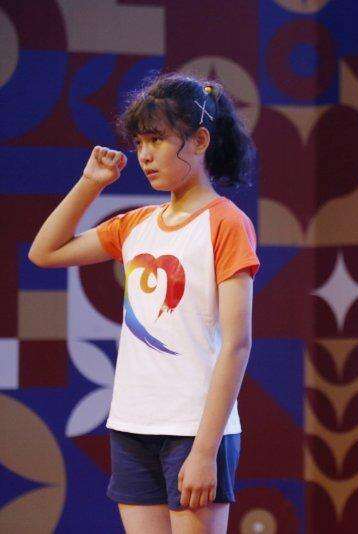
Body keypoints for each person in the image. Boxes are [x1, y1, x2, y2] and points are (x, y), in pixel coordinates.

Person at [28, 73, 260, 533]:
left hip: (194, 429)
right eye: (138, 143)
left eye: (157, 139)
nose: (145, 154)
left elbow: (237, 344)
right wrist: (90, 183)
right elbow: (44, 252)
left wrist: (204, 451)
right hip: (132, 426)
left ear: (200, 141)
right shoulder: (136, 224)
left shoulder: (226, 224)